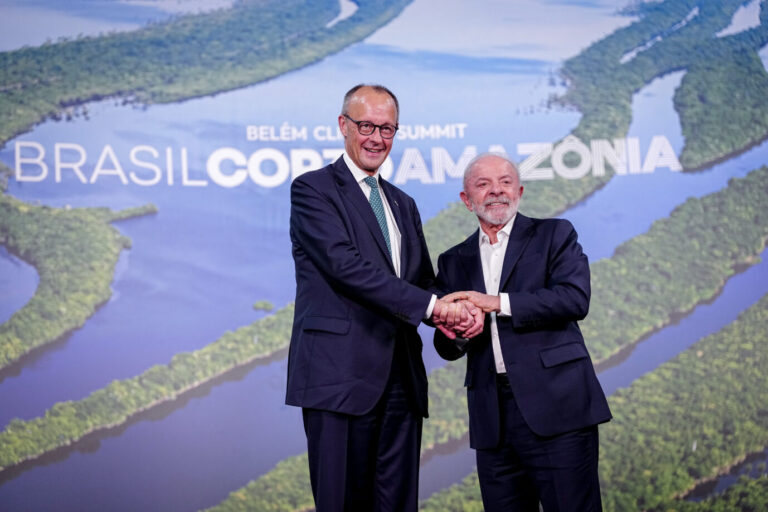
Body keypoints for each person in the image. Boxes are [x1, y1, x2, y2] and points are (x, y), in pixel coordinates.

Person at [286, 84, 482, 511]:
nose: (377, 138)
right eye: (367, 126)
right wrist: (433, 307)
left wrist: (456, 316)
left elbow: (421, 282)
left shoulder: (402, 202)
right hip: (339, 378)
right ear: (343, 125)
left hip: (401, 382)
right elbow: (347, 268)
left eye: (388, 128)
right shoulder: (313, 190)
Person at [434, 153, 612, 511]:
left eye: (505, 182)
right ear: (466, 200)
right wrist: (459, 331)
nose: (496, 191)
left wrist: (496, 302)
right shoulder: (453, 260)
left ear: (520, 191)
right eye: (483, 184)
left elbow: (574, 299)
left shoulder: (554, 234)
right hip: (492, 419)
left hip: (558, 409)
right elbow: (445, 344)